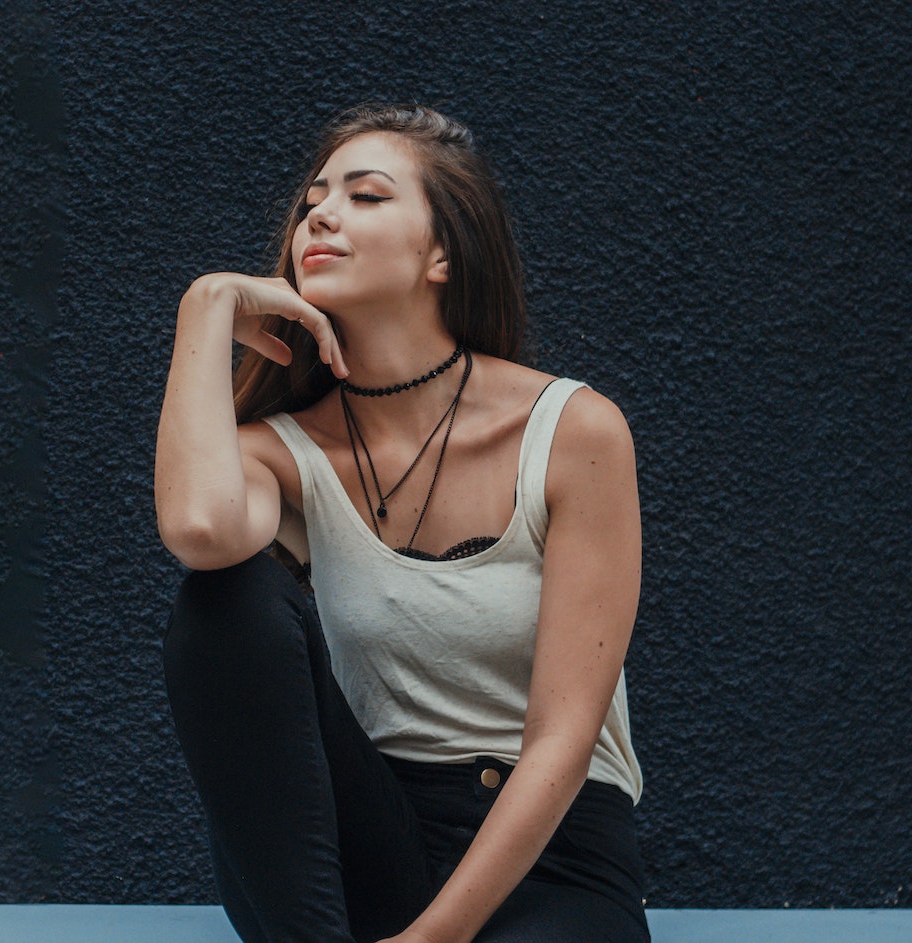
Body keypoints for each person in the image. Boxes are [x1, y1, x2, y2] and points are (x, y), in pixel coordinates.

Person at [154, 103, 647, 943]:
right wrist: (205, 306)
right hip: (360, 847)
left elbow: (564, 739)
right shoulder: (286, 453)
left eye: (367, 195)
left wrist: (432, 939)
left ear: (443, 253)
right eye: (313, 199)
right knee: (223, 603)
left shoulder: (573, 431)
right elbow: (200, 530)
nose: (322, 213)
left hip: (547, 859)